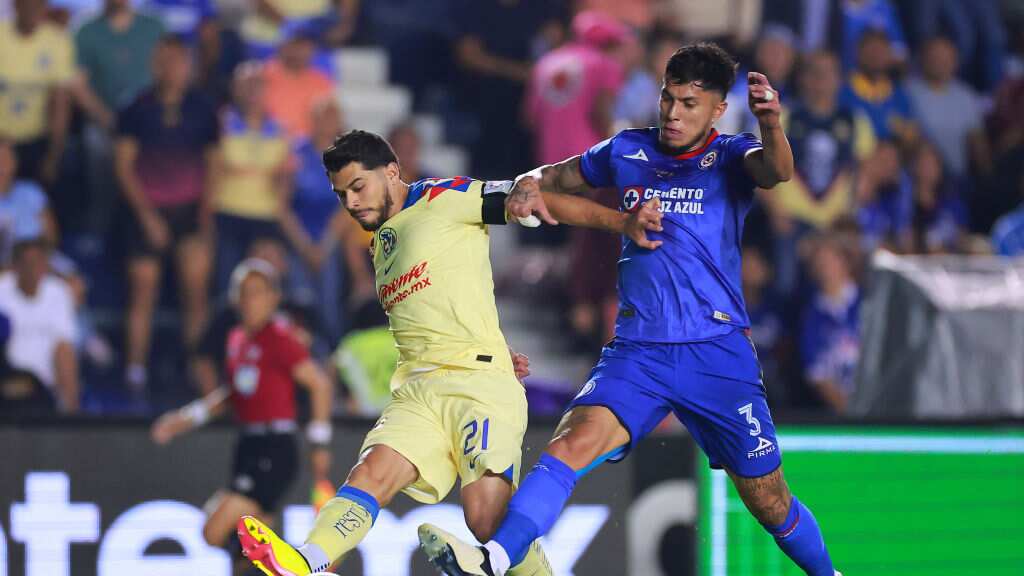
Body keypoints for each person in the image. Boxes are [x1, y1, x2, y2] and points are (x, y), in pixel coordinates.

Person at [420, 43, 841, 576]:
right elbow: (559, 176)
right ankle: (492, 562)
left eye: (689, 103)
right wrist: (526, 182)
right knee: (570, 444)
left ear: (715, 109)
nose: (672, 112)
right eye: (668, 98)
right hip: (638, 352)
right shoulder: (627, 151)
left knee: (769, 500)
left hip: (717, 355)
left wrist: (772, 124)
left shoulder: (731, 155)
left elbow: (777, 171)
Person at [235, 130, 552, 576]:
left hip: (476, 383)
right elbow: (443, 302)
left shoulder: (445, 197)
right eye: (341, 194)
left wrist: (615, 214)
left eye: (358, 187)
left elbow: (526, 194)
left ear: (391, 172)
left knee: (486, 520)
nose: (350, 203)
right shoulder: (381, 244)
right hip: (418, 390)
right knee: (370, 473)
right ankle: (306, 562)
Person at [151, 258, 334, 570]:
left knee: (214, 531)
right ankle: (295, 565)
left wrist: (319, 442)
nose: (250, 300)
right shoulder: (237, 339)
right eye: (244, 293)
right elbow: (233, 394)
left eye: (258, 292)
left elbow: (319, 383)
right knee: (244, 551)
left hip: (274, 448)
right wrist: (184, 419)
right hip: (247, 446)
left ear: (274, 297)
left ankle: (299, 563)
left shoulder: (280, 337)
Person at [115, 35, 219, 394]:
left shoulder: (204, 110)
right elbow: (124, 167)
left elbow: (213, 166)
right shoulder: (136, 109)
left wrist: (205, 217)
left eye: (178, 60)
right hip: (146, 211)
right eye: (165, 60)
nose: (171, 68)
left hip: (189, 213)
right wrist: (147, 217)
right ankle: (135, 370)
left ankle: (197, 367)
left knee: (196, 286)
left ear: (188, 65)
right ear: (154, 64)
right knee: (143, 286)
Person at [211, 61, 291, 295]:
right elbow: (215, 170)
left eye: (258, 84)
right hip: (227, 213)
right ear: (235, 88)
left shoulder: (279, 129)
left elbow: (284, 178)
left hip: (266, 218)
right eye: (246, 84)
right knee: (226, 287)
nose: (253, 90)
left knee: (265, 288)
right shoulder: (220, 124)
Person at [0, 0, 75, 188]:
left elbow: (60, 102)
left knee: (34, 200)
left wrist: (54, 153)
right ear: (15, 5)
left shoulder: (57, 41)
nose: (31, 11)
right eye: (26, 4)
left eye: (38, 5)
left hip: (35, 141)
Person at [0, 238, 79, 415]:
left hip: (45, 384)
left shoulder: (58, 291)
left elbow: (64, 344)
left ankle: (71, 415)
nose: (32, 269)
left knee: (65, 351)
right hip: (9, 376)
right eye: (26, 263)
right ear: (15, 266)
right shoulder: (1, 290)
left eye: (37, 263)